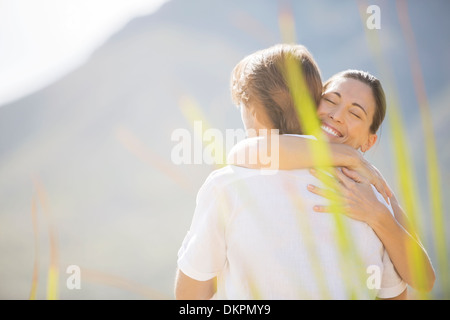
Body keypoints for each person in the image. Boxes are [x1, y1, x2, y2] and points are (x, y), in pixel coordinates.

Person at [175, 44, 408, 299]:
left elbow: (190, 297)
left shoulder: (227, 186)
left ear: (251, 109)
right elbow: (398, 293)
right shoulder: (365, 196)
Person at [227, 69, 436, 294]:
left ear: (369, 141)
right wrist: (350, 156)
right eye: (330, 100)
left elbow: (423, 280)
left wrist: (376, 214)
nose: (336, 115)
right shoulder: (287, 149)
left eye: (355, 114)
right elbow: (242, 152)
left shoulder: (368, 192)